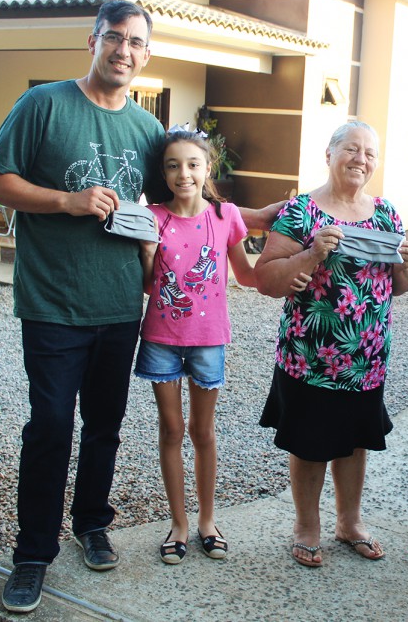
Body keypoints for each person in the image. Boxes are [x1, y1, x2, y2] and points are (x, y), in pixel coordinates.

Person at [0, 0, 279, 614]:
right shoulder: (44, 106)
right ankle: (32, 554)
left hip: (122, 308)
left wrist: (262, 217)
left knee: (105, 428)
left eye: (136, 42)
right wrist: (67, 201)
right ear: (92, 41)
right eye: (113, 38)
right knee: (51, 426)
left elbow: (190, 200)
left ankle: (92, 522)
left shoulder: (147, 129)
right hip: (54, 305)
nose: (123, 50)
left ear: (147, 54)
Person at [254, 121, 408, 567]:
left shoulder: (386, 214)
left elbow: (400, 286)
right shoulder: (302, 212)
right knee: (309, 444)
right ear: (329, 154)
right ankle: (307, 526)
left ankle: (349, 522)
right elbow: (265, 279)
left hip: (366, 359)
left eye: (369, 153)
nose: (360, 159)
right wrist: (311, 254)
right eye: (351, 149)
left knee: (355, 441)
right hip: (309, 358)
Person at [134, 127, 258, 564]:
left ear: (208, 168)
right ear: (163, 173)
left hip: (208, 341)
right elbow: (151, 286)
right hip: (161, 339)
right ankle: (179, 524)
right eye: (172, 165)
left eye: (192, 164)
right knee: (171, 430)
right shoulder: (150, 215)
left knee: (203, 432)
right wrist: (148, 253)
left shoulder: (226, 216)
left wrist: (300, 263)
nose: (183, 173)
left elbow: (247, 274)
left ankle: (207, 520)